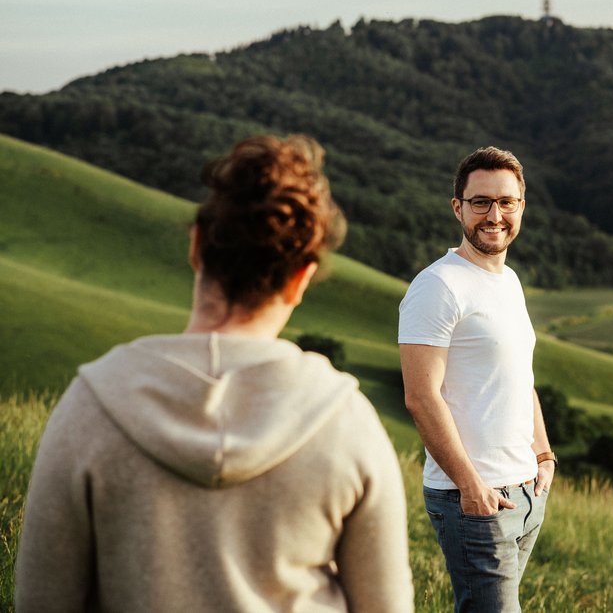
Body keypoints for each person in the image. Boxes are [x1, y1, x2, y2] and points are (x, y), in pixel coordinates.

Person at [16, 135, 414, 612]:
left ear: (197, 244)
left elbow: (40, 601)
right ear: (301, 277)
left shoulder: (91, 405)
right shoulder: (347, 424)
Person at [398, 146, 556, 612]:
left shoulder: (508, 281)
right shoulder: (438, 286)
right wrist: (471, 486)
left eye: (506, 202)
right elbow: (421, 397)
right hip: (474, 501)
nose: (495, 215)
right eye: (481, 202)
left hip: (526, 492)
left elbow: (520, 377)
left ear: (521, 207)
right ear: (458, 208)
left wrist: (543, 455)